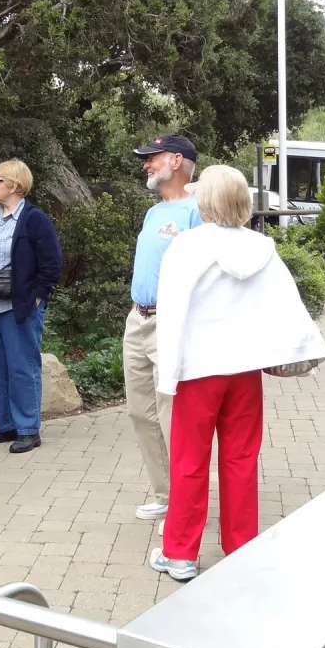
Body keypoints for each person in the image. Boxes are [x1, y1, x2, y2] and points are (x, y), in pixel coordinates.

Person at [149, 165, 325, 581]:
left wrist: (168, 373)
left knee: (189, 461)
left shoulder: (187, 245)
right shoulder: (262, 247)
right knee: (241, 460)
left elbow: (171, 311)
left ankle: (180, 554)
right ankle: (241, 548)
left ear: (206, 201)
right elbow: (284, 303)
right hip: (245, 370)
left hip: (198, 370)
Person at [123, 134, 203, 522]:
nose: (146, 165)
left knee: (172, 416)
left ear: (175, 161)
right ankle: (164, 495)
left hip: (171, 322)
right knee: (140, 412)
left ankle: (185, 505)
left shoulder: (198, 212)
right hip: (137, 319)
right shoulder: (154, 212)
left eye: (153, 158)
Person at [0, 159, 61, 455]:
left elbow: (51, 263)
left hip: (18, 307)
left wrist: (37, 297)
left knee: (22, 367)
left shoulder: (34, 219)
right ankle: (6, 425)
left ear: (14, 185)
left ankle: (27, 429)